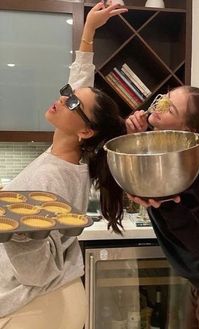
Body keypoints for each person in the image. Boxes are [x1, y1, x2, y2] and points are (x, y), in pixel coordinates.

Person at [0, 3, 128, 329]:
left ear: (85, 131)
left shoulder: (51, 175)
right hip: (55, 297)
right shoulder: (74, 156)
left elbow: (36, 268)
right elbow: (80, 87)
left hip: (39, 306)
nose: (63, 97)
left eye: (71, 101)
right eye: (68, 93)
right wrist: (88, 33)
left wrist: (10, 227)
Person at [126, 86, 199, 329]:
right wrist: (135, 136)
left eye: (170, 108)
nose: (159, 105)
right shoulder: (170, 160)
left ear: (188, 130)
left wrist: (168, 205)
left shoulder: (191, 171)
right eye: (163, 98)